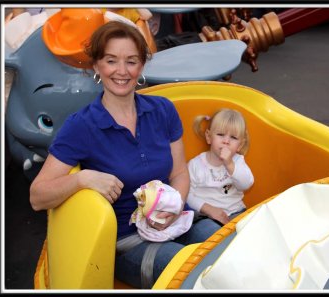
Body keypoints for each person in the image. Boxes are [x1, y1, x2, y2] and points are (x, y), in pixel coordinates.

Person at [29, 20, 221, 289]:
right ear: (97, 65)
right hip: (128, 241)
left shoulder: (163, 110)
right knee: (188, 270)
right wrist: (83, 179)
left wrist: (175, 206)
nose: (121, 71)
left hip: (176, 220)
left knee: (227, 247)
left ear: (141, 66)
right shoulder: (81, 125)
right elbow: (38, 196)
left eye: (131, 61)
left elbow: (178, 172)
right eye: (111, 60)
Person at [187, 108, 254, 225]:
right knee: (205, 230)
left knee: (251, 226)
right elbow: (185, 194)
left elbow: (246, 184)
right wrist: (207, 208)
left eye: (233, 137)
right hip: (206, 217)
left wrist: (229, 164)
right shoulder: (195, 165)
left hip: (236, 212)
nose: (226, 141)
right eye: (221, 135)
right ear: (209, 137)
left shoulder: (237, 161)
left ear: (240, 145)